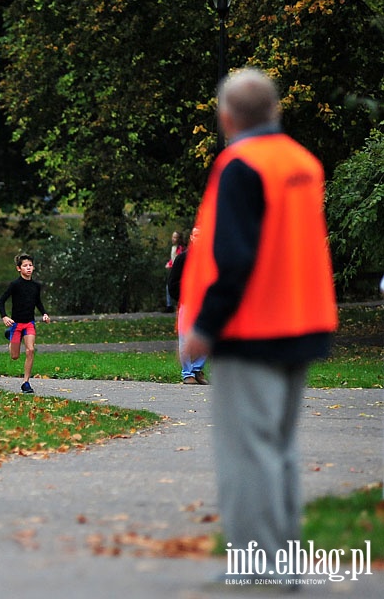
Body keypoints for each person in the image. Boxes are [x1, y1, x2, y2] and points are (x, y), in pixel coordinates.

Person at [180, 68, 338, 588]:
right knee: (281, 449)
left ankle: (257, 567)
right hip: (302, 320)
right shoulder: (303, 163)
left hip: (251, 330)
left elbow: (235, 257)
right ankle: (284, 560)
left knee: (247, 453)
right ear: (276, 111)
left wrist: (205, 326)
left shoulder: (240, 166)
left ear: (226, 117)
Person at [0, 253, 51, 394]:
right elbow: (1, 301)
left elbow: (37, 301)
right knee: (15, 356)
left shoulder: (36, 286)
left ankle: (26, 382)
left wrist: (44, 313)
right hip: (16, 324)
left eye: (30, 265)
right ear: (18, 268)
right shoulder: (15, 285)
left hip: (29, 323)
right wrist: (4, 317)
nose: (28, 268)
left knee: (30, 350)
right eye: (25, 266)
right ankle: (10, 336)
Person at [166, 228, 207, 385]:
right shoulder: (183, 258)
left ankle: (197, 369)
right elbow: (173, 284)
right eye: (196, 235)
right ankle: (187, 373)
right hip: (188, 303)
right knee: (185, 337)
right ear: (191, 237)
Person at [164, 231, 183, 312]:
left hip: (179, 270)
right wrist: (169, 263)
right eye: (173, 237)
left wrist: (171, 265)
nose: (173, 239)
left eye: (175, 237)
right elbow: (173, 259)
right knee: (169, 286)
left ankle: (171, 305)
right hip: (173, 270)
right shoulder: (173, 248)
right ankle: (169, 305)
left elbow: (179, 260)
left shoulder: (180, 249)